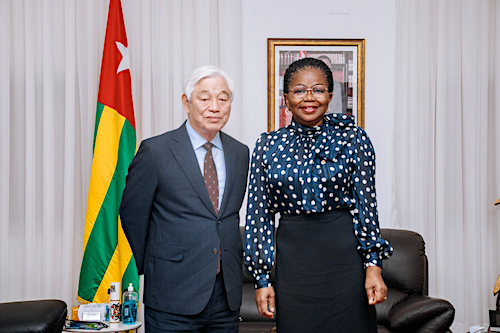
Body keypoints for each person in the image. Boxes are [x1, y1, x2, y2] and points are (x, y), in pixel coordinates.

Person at [244, 57, 393, 332]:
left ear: (330, 96)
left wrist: (374, 266)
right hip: (294, 264)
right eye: (299, 90)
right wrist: (262, 279)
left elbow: (366, 206)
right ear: (286, 98)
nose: (309, 97)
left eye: (318, 90)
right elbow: (259, 215)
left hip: (344, 259)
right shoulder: (267, 146)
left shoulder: (353, 139)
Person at [120, 65, 249, 332]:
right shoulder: (156, 151)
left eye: (223, 99)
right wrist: (160, 263)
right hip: (172, 293)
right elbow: (133, 214)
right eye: (205, 98)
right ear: (186, 103)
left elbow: (225, 218)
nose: (215, 106)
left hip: (226, 295)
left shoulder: (240, 152)